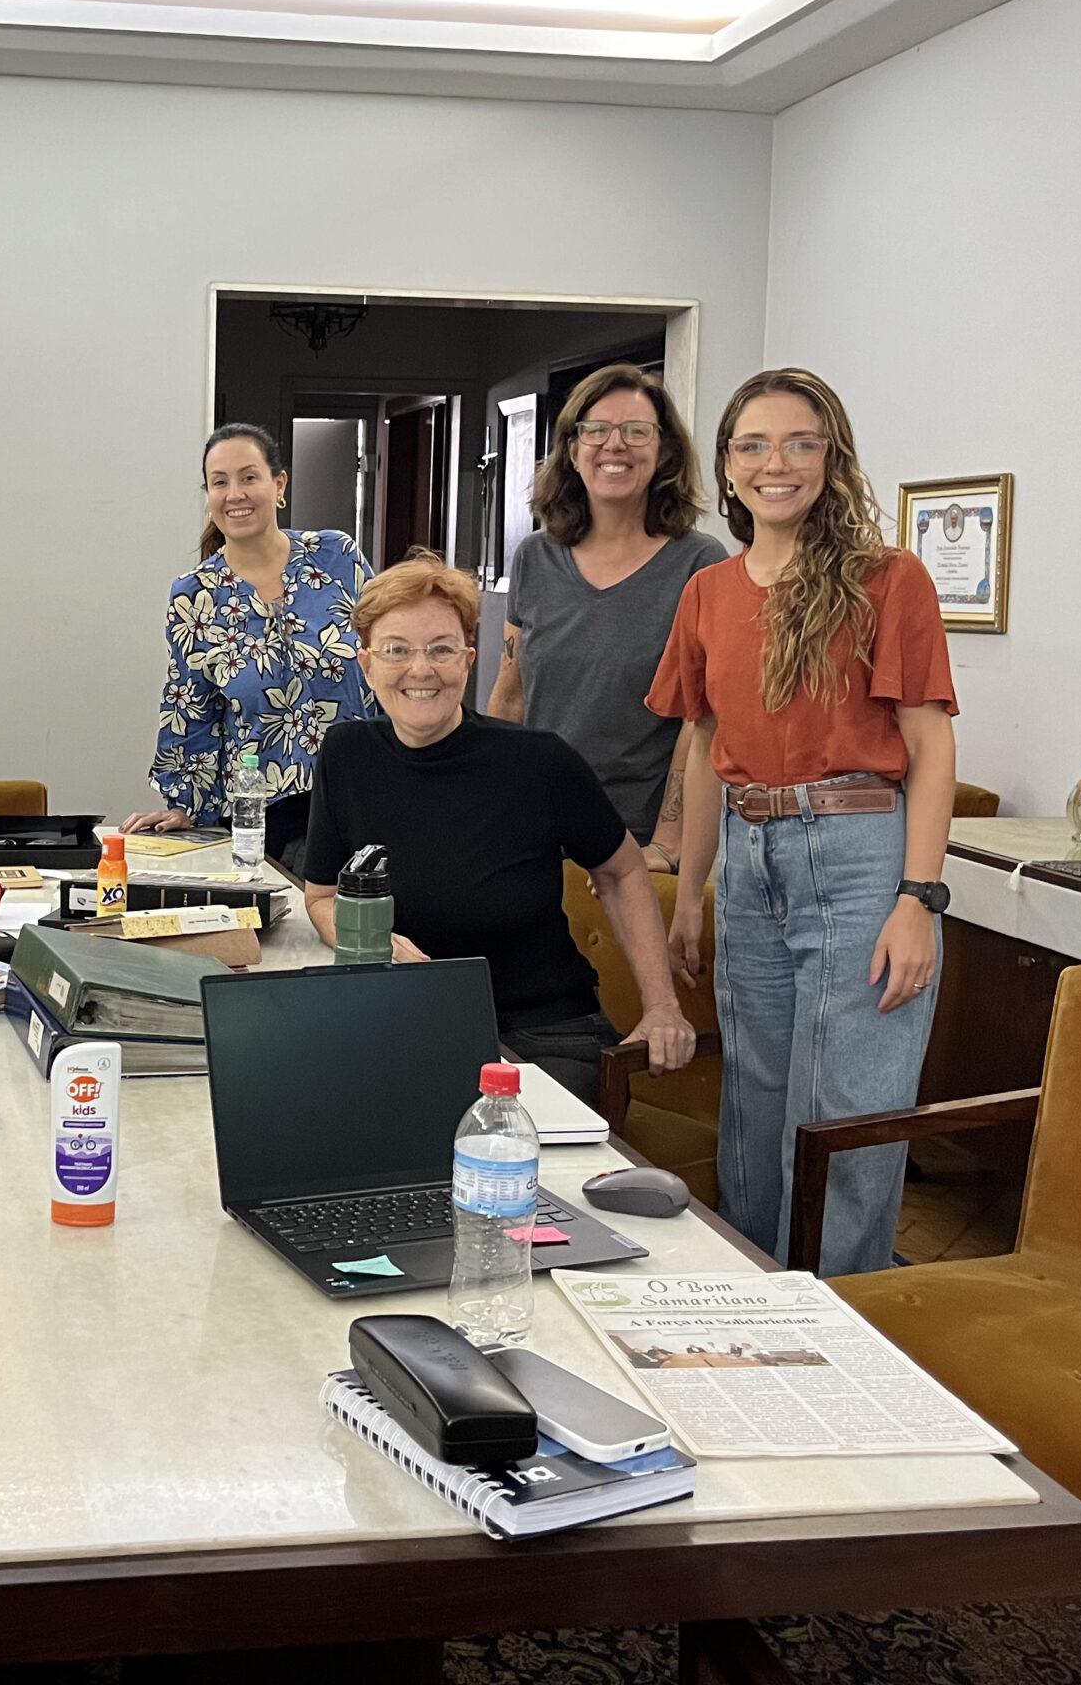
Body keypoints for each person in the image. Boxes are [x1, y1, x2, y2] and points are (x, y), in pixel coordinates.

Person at [650, 368, 958, 1278]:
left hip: (860, 859)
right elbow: (704, 749)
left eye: (799, 443)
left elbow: (929, 746)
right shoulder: (709, 592)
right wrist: (691, 895)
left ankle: (839, 1319)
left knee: (845, 1115)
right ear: (726, 465)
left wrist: (919, 899)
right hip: (749, 860)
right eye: (752, 445)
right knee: (754, 1106)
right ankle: (753, 1303)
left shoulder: (888, 579)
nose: (774, 463)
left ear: (832, 458)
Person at [301, 551, 694, 1103]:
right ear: (367, 665)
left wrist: (662, 1007)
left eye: (441, 649)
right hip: (405, 1022)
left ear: (467, 660)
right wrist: (369, 942)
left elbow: (623, 871)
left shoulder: (539, 762)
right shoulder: (346, 755)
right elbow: (321, 897)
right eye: (396, 650)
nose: (420, 669)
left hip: (543, 1035)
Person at [488, 363, 728, 867]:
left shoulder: (700, 564)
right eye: (595, 430)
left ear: (664, 451)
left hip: (636, 842)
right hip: (533, 831)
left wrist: (667, 842)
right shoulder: (534, 556)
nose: (614, 445)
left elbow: (701, 719)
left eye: (636, 431)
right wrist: (487, 807)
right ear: (573, 451)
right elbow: (511, 696)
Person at [124, 423, 375, 866]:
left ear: (279, 485)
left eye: (249, 477)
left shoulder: (336, 556)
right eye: (219, 482)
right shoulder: (193, 595)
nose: (234, 494)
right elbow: (190, 707)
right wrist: (185, 804)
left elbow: (387, 655)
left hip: (362, 796)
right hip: (264, 820)